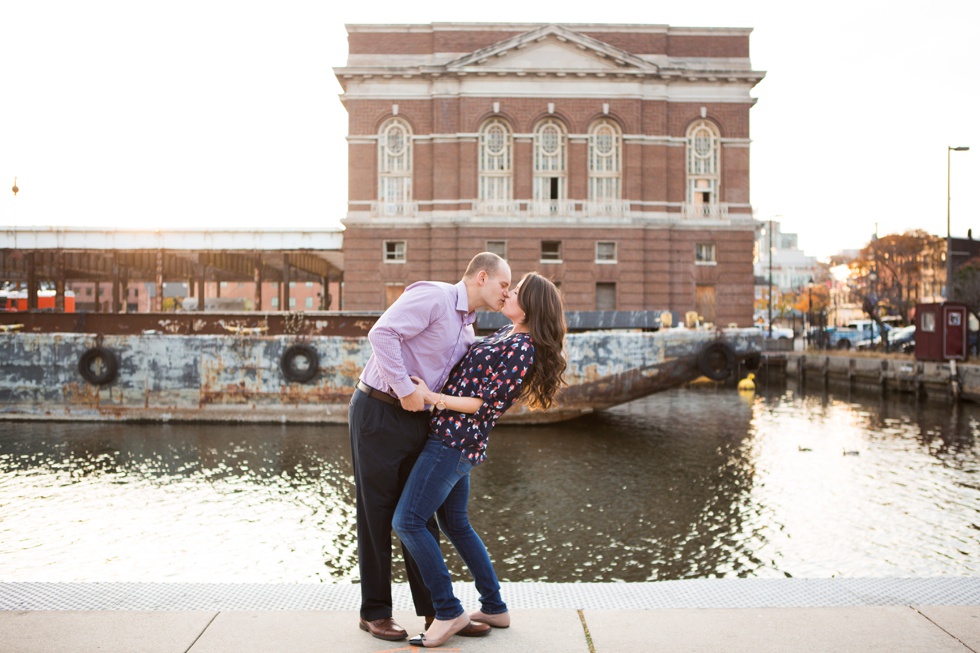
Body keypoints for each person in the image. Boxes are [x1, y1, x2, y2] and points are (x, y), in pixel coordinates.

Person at [393, 272, 567, 648]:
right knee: (455, 524)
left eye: (516, 292)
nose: (508, 293)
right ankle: (494, 606)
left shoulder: (524, 347)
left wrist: (430, 397)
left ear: (531, 305)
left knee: (407, 521)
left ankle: (448, 610)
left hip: (453, 443)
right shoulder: (509, 334)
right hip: (456, 440)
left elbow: (482, 405)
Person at [349, 252, 512, 642]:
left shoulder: (469, 330)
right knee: (376, 513)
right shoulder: (435, 297)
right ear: (482, 277)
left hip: (419, 419)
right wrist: (404, 388)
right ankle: (374, 612)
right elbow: (382, 334)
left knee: (418, 515)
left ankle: (438, 613)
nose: (507, 292)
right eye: (504, 284)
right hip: (379, 409)